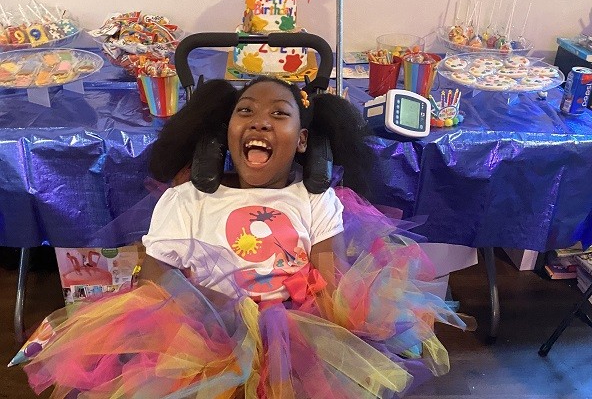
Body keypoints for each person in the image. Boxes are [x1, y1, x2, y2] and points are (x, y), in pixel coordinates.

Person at [19, 76, 471, 399]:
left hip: (297, 329)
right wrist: (215, 321)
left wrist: (324, 326)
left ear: (301, 140)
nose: (259, 122)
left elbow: (331, 273)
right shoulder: (188, 200)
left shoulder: (313, 200)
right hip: (205, 330)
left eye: (279, 114)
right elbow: (155, 278)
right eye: (246, 111)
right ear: (226, 133)